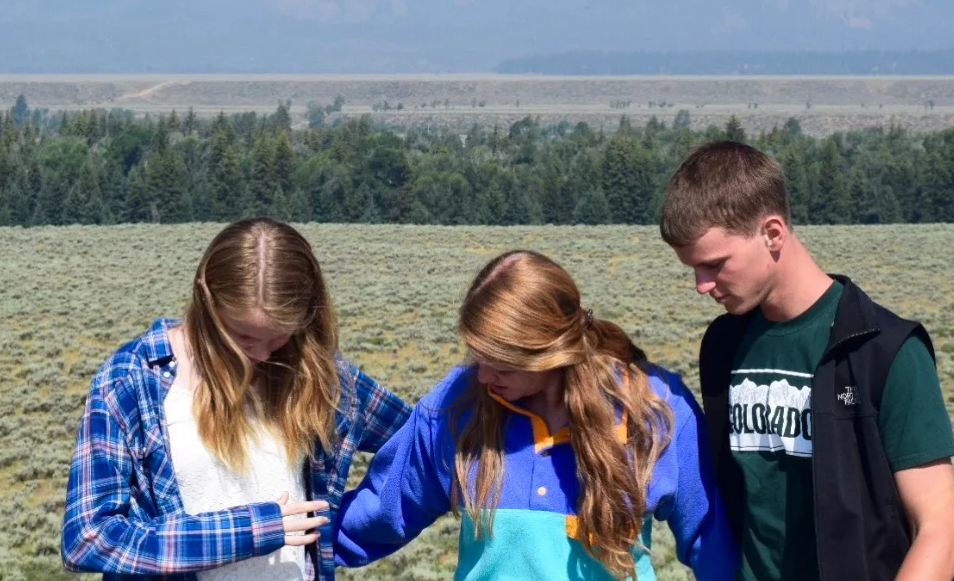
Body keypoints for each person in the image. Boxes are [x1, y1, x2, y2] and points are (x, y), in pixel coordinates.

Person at [659, 141, 954, 581]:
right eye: (693, 269)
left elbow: (939, 531)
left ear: (773, 233)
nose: (701, 285)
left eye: (714, 265)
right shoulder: (723, 344)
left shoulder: (885, 351)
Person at [334, 250, 738, 581]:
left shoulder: (652, 406)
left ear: (552, 352)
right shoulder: (458, 404)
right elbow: (381, 513)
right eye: (478, 358)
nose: (484, 376)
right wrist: (304, 545)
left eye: (502, 366)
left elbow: (710, 539)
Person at [61, 217, 411, 580]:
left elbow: (420, 442)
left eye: (279, 337)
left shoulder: (317, 372)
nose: (262, 354)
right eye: (242, 337)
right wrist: (251, 530)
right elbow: (87, 537)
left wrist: (352, 527)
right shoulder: (131, 379)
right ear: (206, 301)